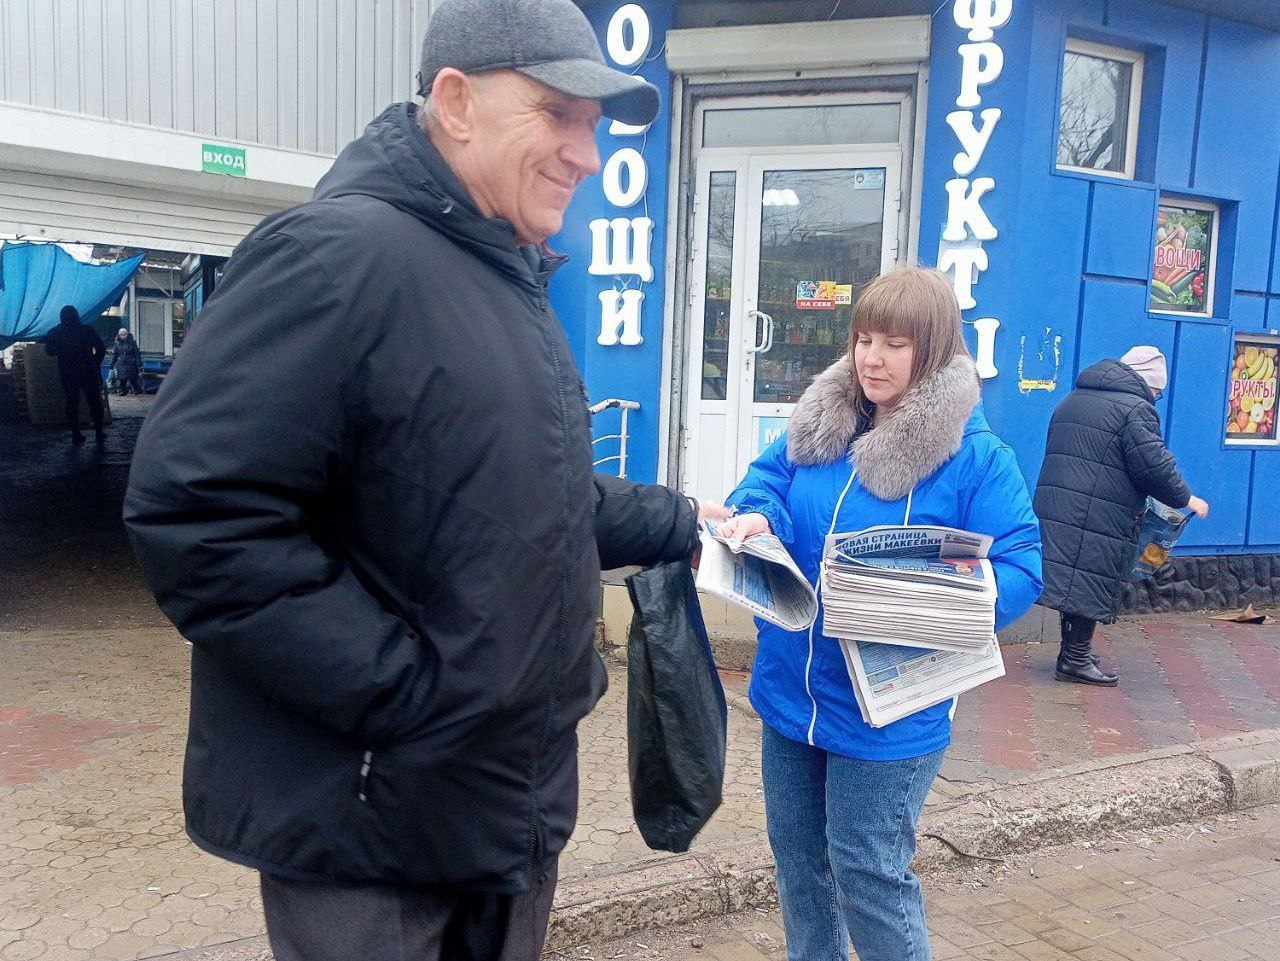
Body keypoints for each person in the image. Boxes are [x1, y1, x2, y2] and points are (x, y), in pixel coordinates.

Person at [123, 1, 724, 958]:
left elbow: (531, 498)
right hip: (375, 827)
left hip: (501, 809)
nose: (585, 149)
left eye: (593, 123)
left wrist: (683, 519)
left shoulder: (507, 276)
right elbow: (199, 517)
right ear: (455, 101)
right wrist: (405, 694)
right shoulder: (336, 257)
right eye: (557, 113)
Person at [717, 268, 1043, 961]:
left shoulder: (975, 456)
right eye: (864, 338)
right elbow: (768, 478)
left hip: (889, 709)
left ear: (930, 350)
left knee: (867, 872)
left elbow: (1022, 564)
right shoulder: (819, 420)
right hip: (792, 693)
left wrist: (942, 602)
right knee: (800, 868)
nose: (871, 357)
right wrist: (754, 514)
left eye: (894, 343)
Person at [1034, 345, 1208, 687]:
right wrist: (1187, 498)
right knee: (1090, 576)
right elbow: (1153, 465)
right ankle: (1074, 659)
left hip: (1063, 504)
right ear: (1145, 381)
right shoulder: (1134, 409)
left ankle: (1074, 649)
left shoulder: (1075, 398)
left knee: (1076, 578)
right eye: (1157, 389)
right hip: (1099, 509)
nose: (1157, 396)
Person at [43, 304, 106, 444]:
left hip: (68, 372)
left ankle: (76, 434)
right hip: (88, 370)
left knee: (72, 403)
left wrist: (63, 351)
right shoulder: (87, 330)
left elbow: (49, 351)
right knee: (94, 401)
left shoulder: (55, 332)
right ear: (77, 316)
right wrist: (95, 363)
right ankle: (99, 432)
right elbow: (101, 348)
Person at [110, 328, 143, 395]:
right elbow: (115, 354)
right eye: (121, 334)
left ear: (127, 334)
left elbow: (137, 354)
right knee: (121, 378)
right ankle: (123, 391)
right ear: (119, 335)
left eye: (124, 334)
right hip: (121, 363)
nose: (123, 336)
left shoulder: (132, 342)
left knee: (133, 377)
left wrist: (139, 366)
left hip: (131, 363)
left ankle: (136, 390)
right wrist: (112, 363)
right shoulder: (117, 343)